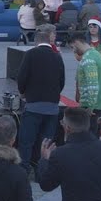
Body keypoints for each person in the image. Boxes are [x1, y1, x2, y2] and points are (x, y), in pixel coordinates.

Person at [16, 26, 64, 172]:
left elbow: (21, 77)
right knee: (46, 143)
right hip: (52, 108)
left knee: (26, 141)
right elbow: (62, 81)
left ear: (36, 42)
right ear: (49, 41)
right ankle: (42, 170)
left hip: (33, 106)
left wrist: (23, 92)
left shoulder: (30, 54)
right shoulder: (57, 57)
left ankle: (24, 170)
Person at [70, 34, 101, 133]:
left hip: (92, 106)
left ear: (77, 43)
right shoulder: (96, 54)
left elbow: (93, 85)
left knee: (89, 135)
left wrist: (90, 107)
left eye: (73, 47)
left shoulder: (88, 59)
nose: (73, 51)